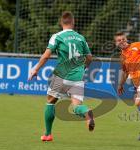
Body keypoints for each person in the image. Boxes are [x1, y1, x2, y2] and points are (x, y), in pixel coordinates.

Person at [28, 11, 95, 141]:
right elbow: (89, 57)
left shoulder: (57, 36)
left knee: (50, 101)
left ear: (61, 23)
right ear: (73, 22)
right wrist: (83, 68)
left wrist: (35, 69)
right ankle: (86, 112)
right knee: (76, 107)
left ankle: (47, 134)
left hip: (61, 76)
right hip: (77, 77)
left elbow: (46, 55)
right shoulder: (81, 38)